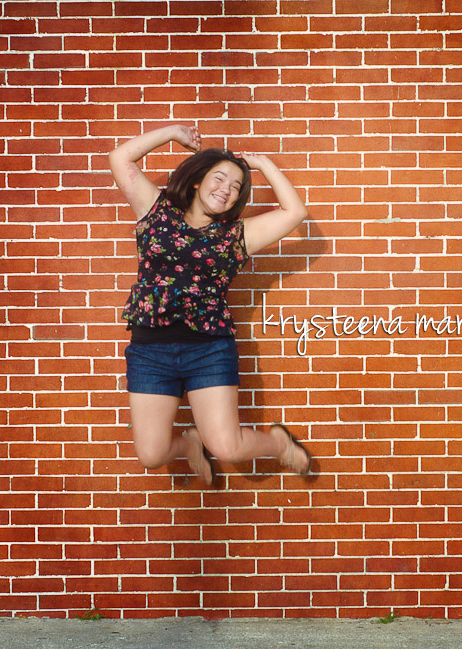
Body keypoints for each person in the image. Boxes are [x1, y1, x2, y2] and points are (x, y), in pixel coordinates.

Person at [108, 124, 311, 485]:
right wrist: (173, 133)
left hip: (208, 349)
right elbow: (119, 157)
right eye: (219, 179)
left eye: (235, 187)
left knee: (227, 448)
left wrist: (264, 165)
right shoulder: (155, 210)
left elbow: (294, 212)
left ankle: (278, 446)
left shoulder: (237, 236)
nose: (226, 190)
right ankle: (188, 445)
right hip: (151, 349)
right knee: (151, 455)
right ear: (198, 179)